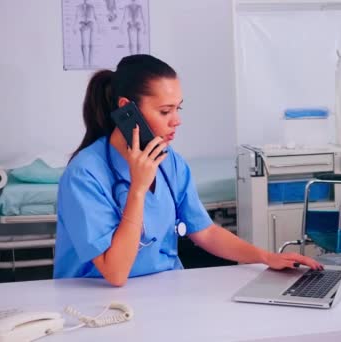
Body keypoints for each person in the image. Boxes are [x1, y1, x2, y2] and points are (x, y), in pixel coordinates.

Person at [53, 54, 322, 286]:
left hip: (164, 291)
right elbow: (115, 273)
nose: (177, 121)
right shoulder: (84, 175)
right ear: (127, 110)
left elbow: (204, 231)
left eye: (178, 109)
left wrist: (265, 257)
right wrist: (138, 189)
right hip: (95, 303)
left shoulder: (171, 162)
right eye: (165, 111)